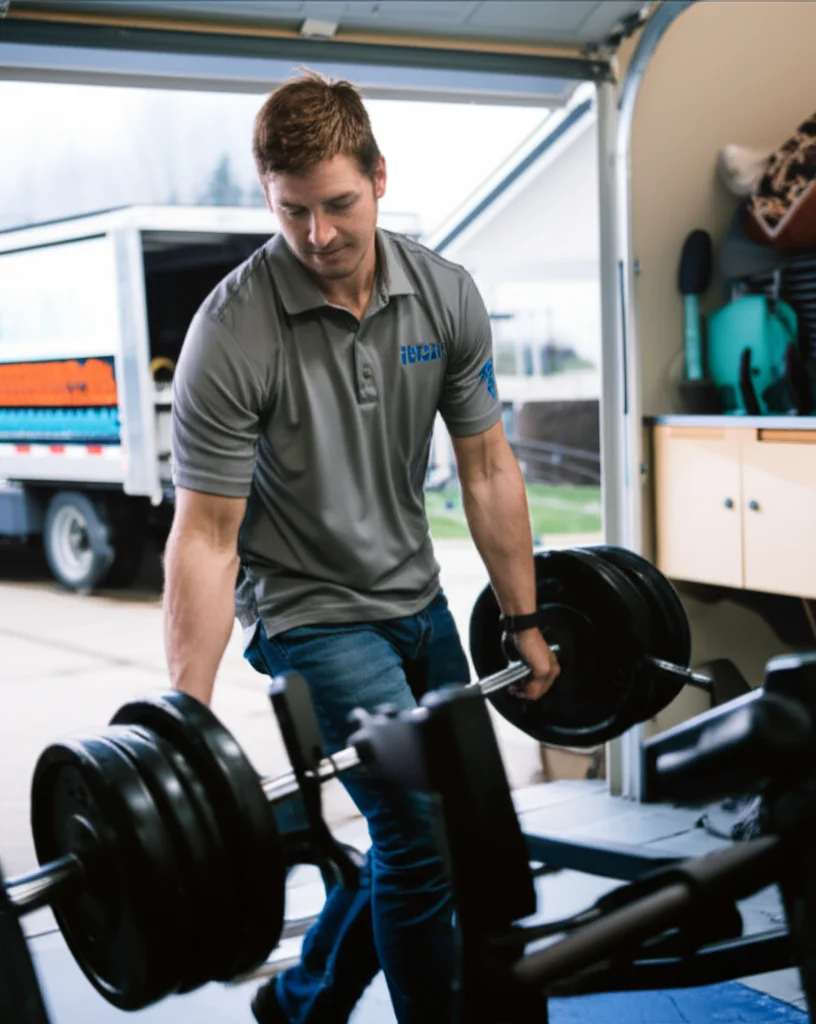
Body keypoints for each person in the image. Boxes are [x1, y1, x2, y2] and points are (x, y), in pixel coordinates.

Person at [164, 68, 560, 1024]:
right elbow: (207, 537)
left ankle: (302, 1001)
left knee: (454, 824)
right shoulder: (231, 331)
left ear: (380, 177)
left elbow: (487, 469)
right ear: (269, 198)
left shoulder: (443, 295)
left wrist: (526, 619)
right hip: (308, 613)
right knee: (419, 834)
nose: (318, 235)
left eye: (339, 204)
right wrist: (184, 729)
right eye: (292, 211)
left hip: (417, 601)